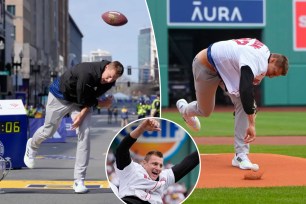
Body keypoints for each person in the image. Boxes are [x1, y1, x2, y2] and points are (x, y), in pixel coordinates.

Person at [176, 38, 288, 170]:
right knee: (205, 111)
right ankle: (185, 109)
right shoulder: (257, 59)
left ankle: (241, 155)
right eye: (274, 72)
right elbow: (246, 90)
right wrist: (251, 124)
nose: (272, 76)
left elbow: (248, 97)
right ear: (273, 60)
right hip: (206, 65)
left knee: (243, 103)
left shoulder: (263, 55)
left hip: (226, 70)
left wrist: (250, 114)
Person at [23, 60, 124, 193]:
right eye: (109, 76)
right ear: (106, 67)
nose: (109, 80)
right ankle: (32, 145)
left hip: (79, 102)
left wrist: (81, 116)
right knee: (49, 130)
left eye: (113, 79)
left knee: (85, 133)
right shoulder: (86, 72)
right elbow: (84, 98)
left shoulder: (109, 82)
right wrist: (102, 104)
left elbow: (88, 100)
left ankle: (79, 180)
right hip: (59, 96)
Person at [114, 118, 199, 204]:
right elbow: (122, 150)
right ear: (144, 163)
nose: (158, 168)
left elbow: (188, 163)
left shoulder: (164, 177)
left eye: (160, 165)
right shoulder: (131, 170)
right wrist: (141, 128)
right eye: (154, 164)